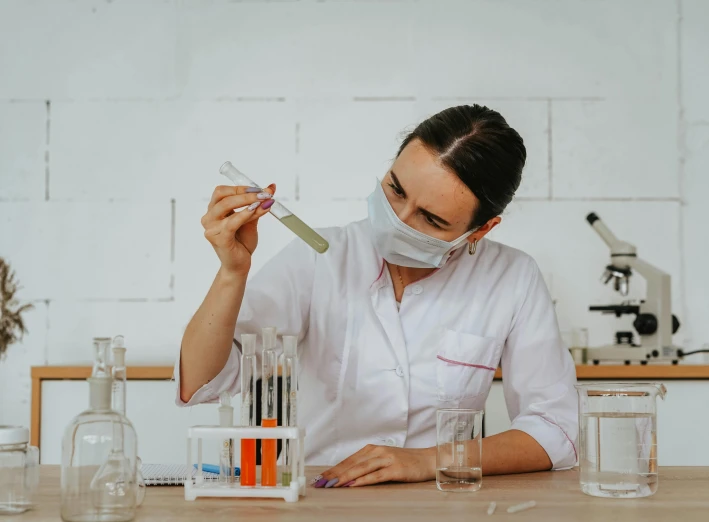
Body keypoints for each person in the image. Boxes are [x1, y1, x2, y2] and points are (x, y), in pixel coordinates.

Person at [176, 104, 577, 488]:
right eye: (396, 190)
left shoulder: (511, 277)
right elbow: (201, 383)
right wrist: (233, 272)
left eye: (431, 219)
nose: (398, 222)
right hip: (322, 495)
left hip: (440, 500)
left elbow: (558, 428)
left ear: (480, 230)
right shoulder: (321, 258)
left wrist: (427, 459)